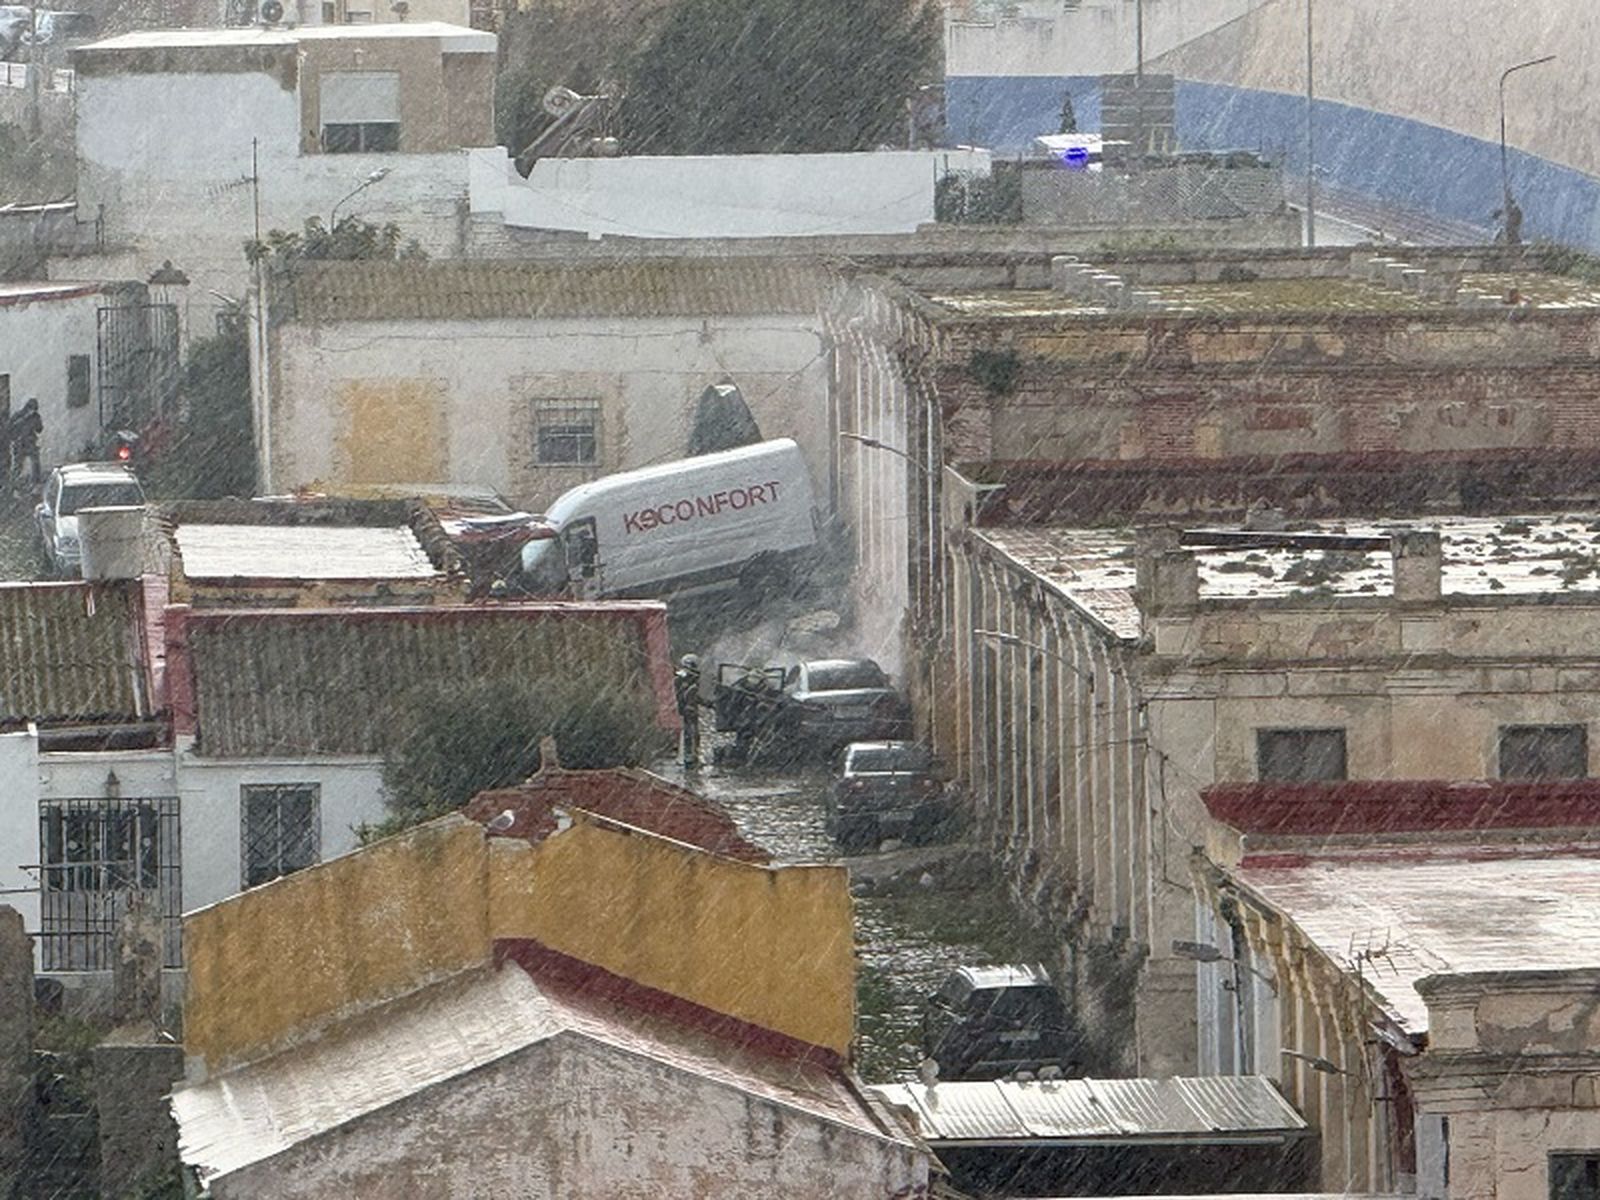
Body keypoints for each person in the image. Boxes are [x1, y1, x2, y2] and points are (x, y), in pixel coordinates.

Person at [674, 654, 704, 769]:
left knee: (694, 734)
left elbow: (695, 696)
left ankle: (693, 756)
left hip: (691, 710)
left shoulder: (693, 677)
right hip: (686, 710)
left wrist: (708, 703)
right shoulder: (682, 677)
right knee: (688, 734)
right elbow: (682, 694)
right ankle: (688, 758)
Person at [11, 399, 41, 489]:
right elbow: (11, 427)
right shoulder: (19, 415)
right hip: (20, 444)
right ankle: (14, 483)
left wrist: (37, 422)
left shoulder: (35, 417)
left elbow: (39, 429)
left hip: (30, 442)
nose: (33, 411)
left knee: (35, 463)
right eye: (32, 409)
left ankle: (35, 483)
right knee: (18, 465)